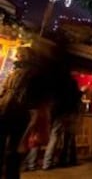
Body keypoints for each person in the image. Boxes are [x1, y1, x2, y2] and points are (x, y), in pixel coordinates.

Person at [0, 47, 50, 179]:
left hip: (13, 111)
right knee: (14, 147)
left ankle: (9, 173)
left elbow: (4, 92)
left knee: (12, 146)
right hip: (16, 112)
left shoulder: (24, 74)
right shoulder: (28, 74)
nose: (17, 58)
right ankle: (11, 173)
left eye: (19, 56)